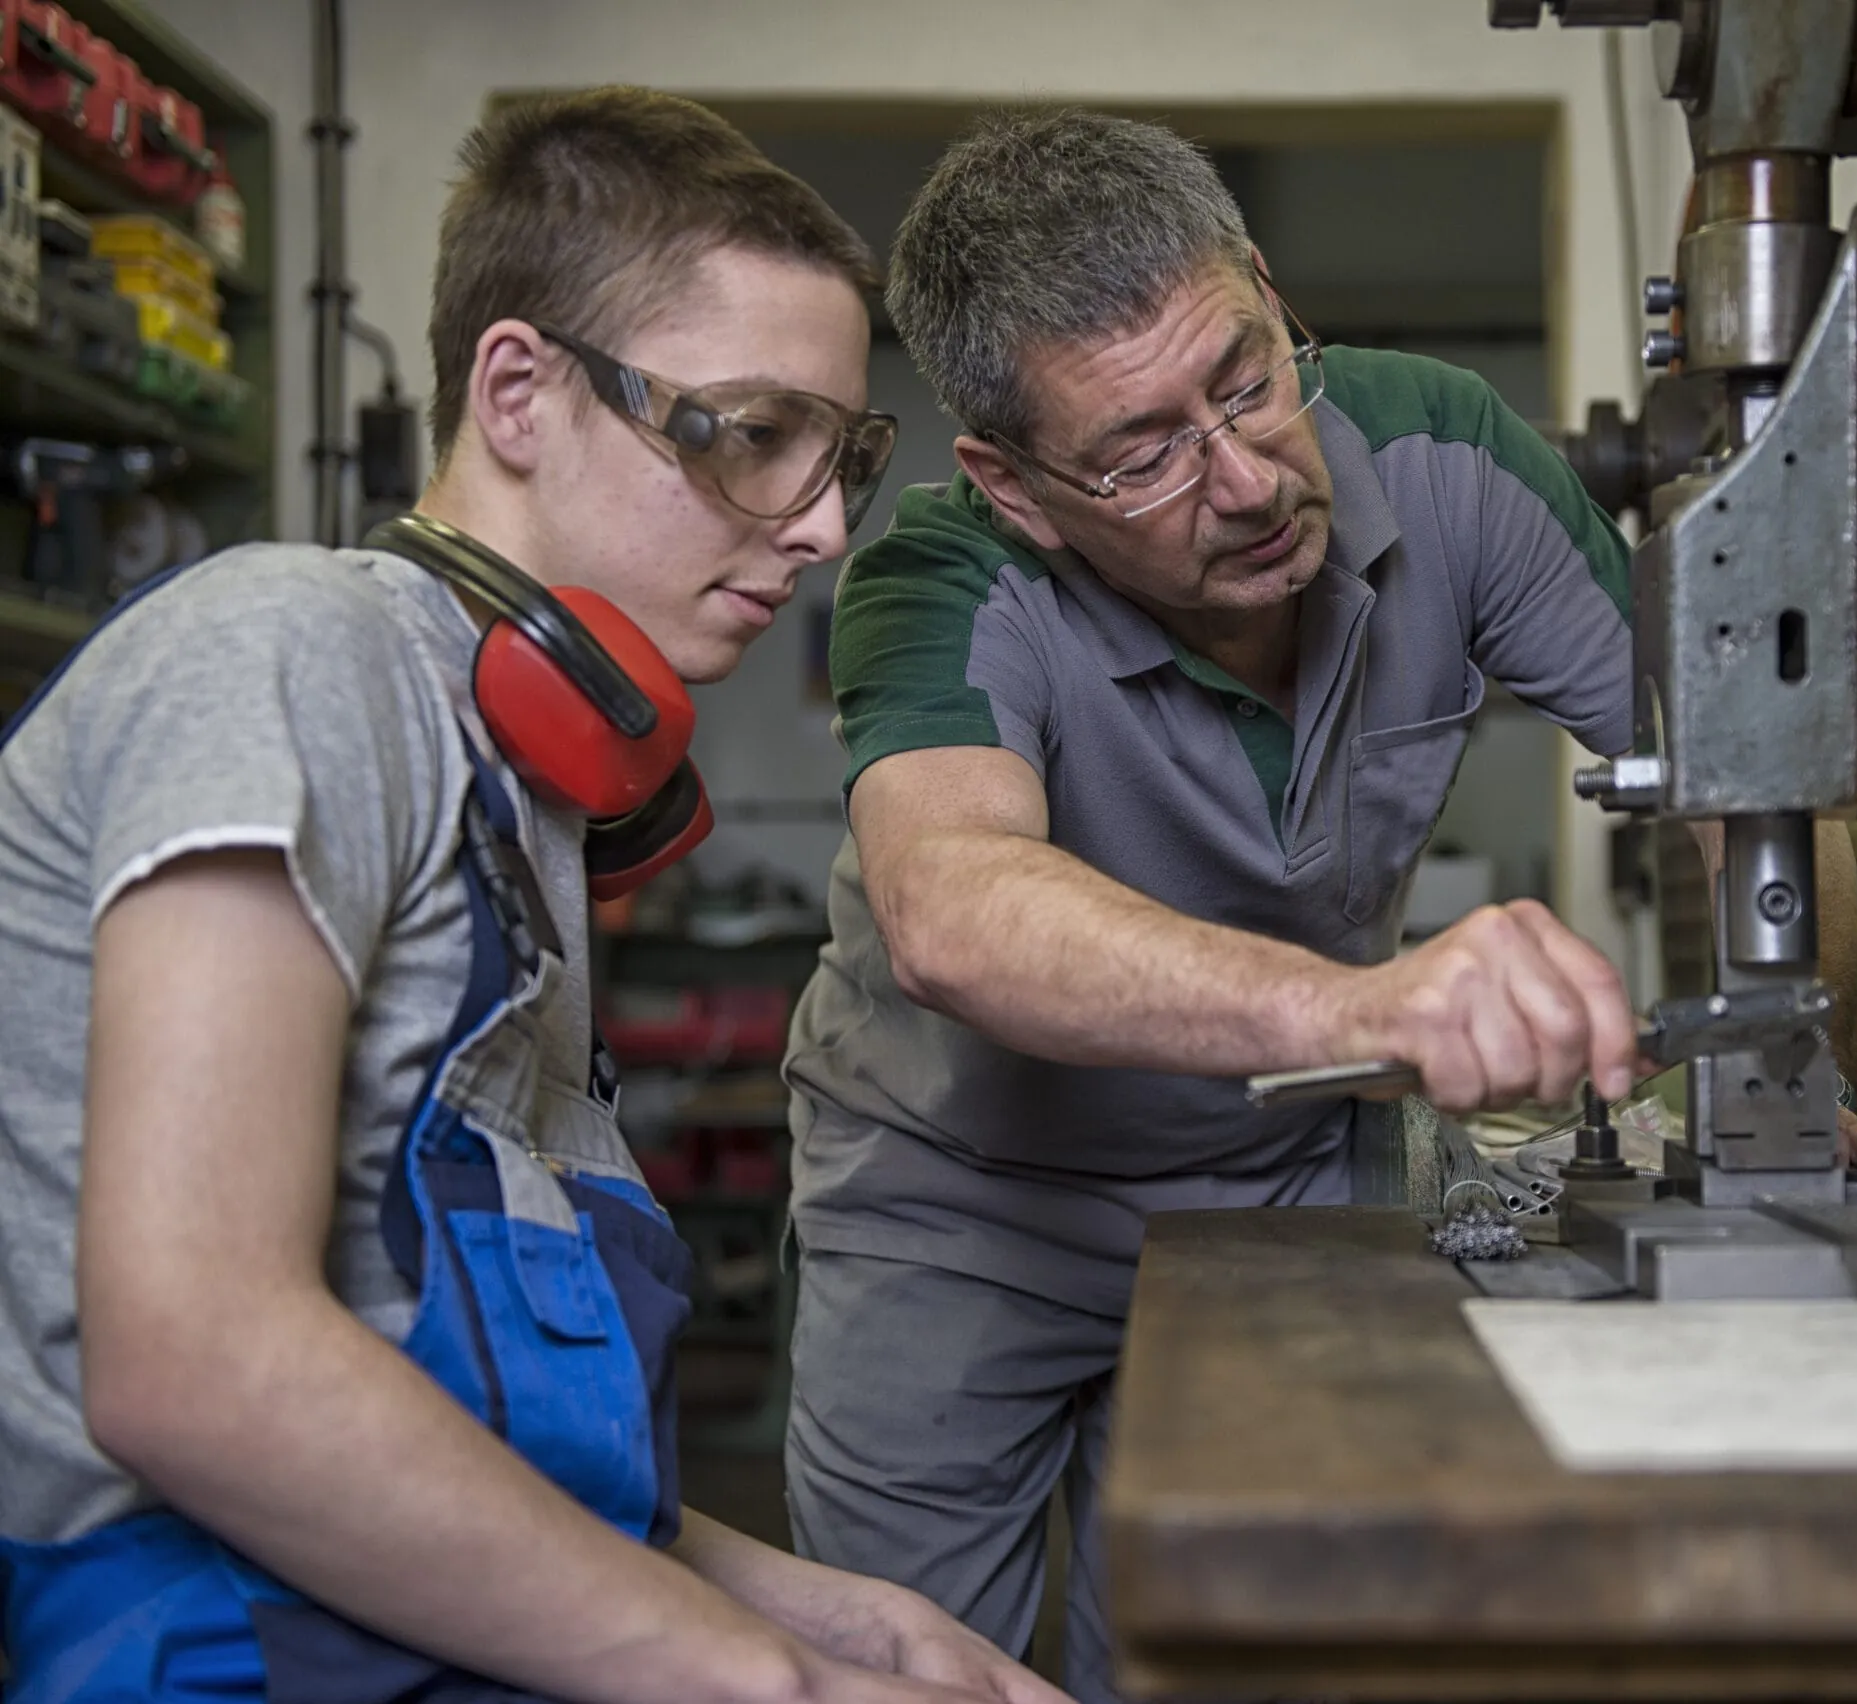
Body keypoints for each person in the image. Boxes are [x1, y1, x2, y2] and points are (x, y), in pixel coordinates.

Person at [0, 87, 1064, 1704]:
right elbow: (193, 1362)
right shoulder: (289, 650)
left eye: (842, 454)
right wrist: (763, 1677)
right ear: (517, 392)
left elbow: (475, 1433)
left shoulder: (523, 799)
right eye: (754, 433)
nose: (829, 527)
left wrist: (838, 1617)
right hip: (209, 1647)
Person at [780, 108, 1672, 1704]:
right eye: (1140, 453)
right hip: (959, 1209)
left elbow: (1722, 749)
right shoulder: (944, 577)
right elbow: (952, 908)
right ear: (1017, 484)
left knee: (1240, 1650)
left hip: (1277, 1190)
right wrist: (1365, 1006)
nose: (1248, 481)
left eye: (1248, 379)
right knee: (908, 1676)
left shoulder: (1444, 456)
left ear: (1264, 289)